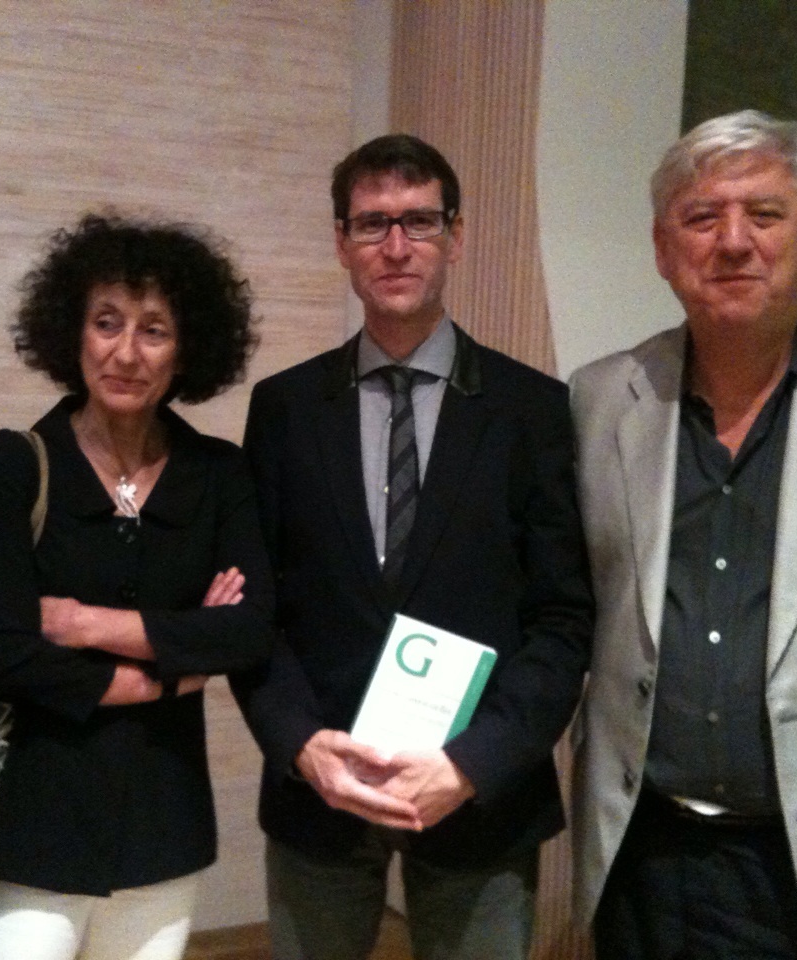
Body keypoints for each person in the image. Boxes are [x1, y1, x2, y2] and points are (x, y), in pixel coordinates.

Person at [233, 134, 594, 960]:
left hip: (478, 796)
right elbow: (257, 607)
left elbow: (563, 619)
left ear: (455, 236)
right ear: (341, 242)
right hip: (321, 787)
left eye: (419, 221)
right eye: (372, 224)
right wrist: (299, 744)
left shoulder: (532, 411)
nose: (396, 247)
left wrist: (472, 763)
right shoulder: (284, 409)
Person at [569, 109, 797, 960]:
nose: (732, 242)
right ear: (663, 248)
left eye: (764, 214)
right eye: (702, 217)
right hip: (643, 852)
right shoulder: (600, 399)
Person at [0, 213, 275, 960]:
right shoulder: (17, 464)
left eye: (154, 330)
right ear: (73, 332)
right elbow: (1, 651)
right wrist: (175, 668)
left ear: (187, 348)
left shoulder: (219, 473)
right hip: (33, 830)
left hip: (164, 831)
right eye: (107, 323)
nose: (126, 352)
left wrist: (85, 625)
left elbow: (249, 630)